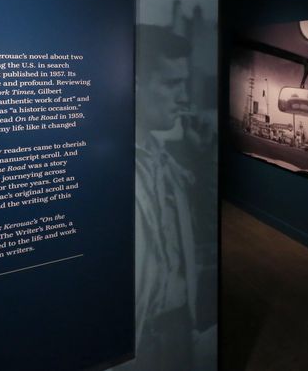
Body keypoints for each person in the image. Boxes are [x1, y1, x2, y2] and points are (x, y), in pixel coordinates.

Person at [131, 25, 214, 370]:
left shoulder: (166, 160)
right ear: (132, 85)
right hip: (140, 342)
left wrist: (203, 158)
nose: (184, 98)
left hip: (179, 333)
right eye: (170, 84)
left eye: (184, 83)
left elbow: (205, 232)